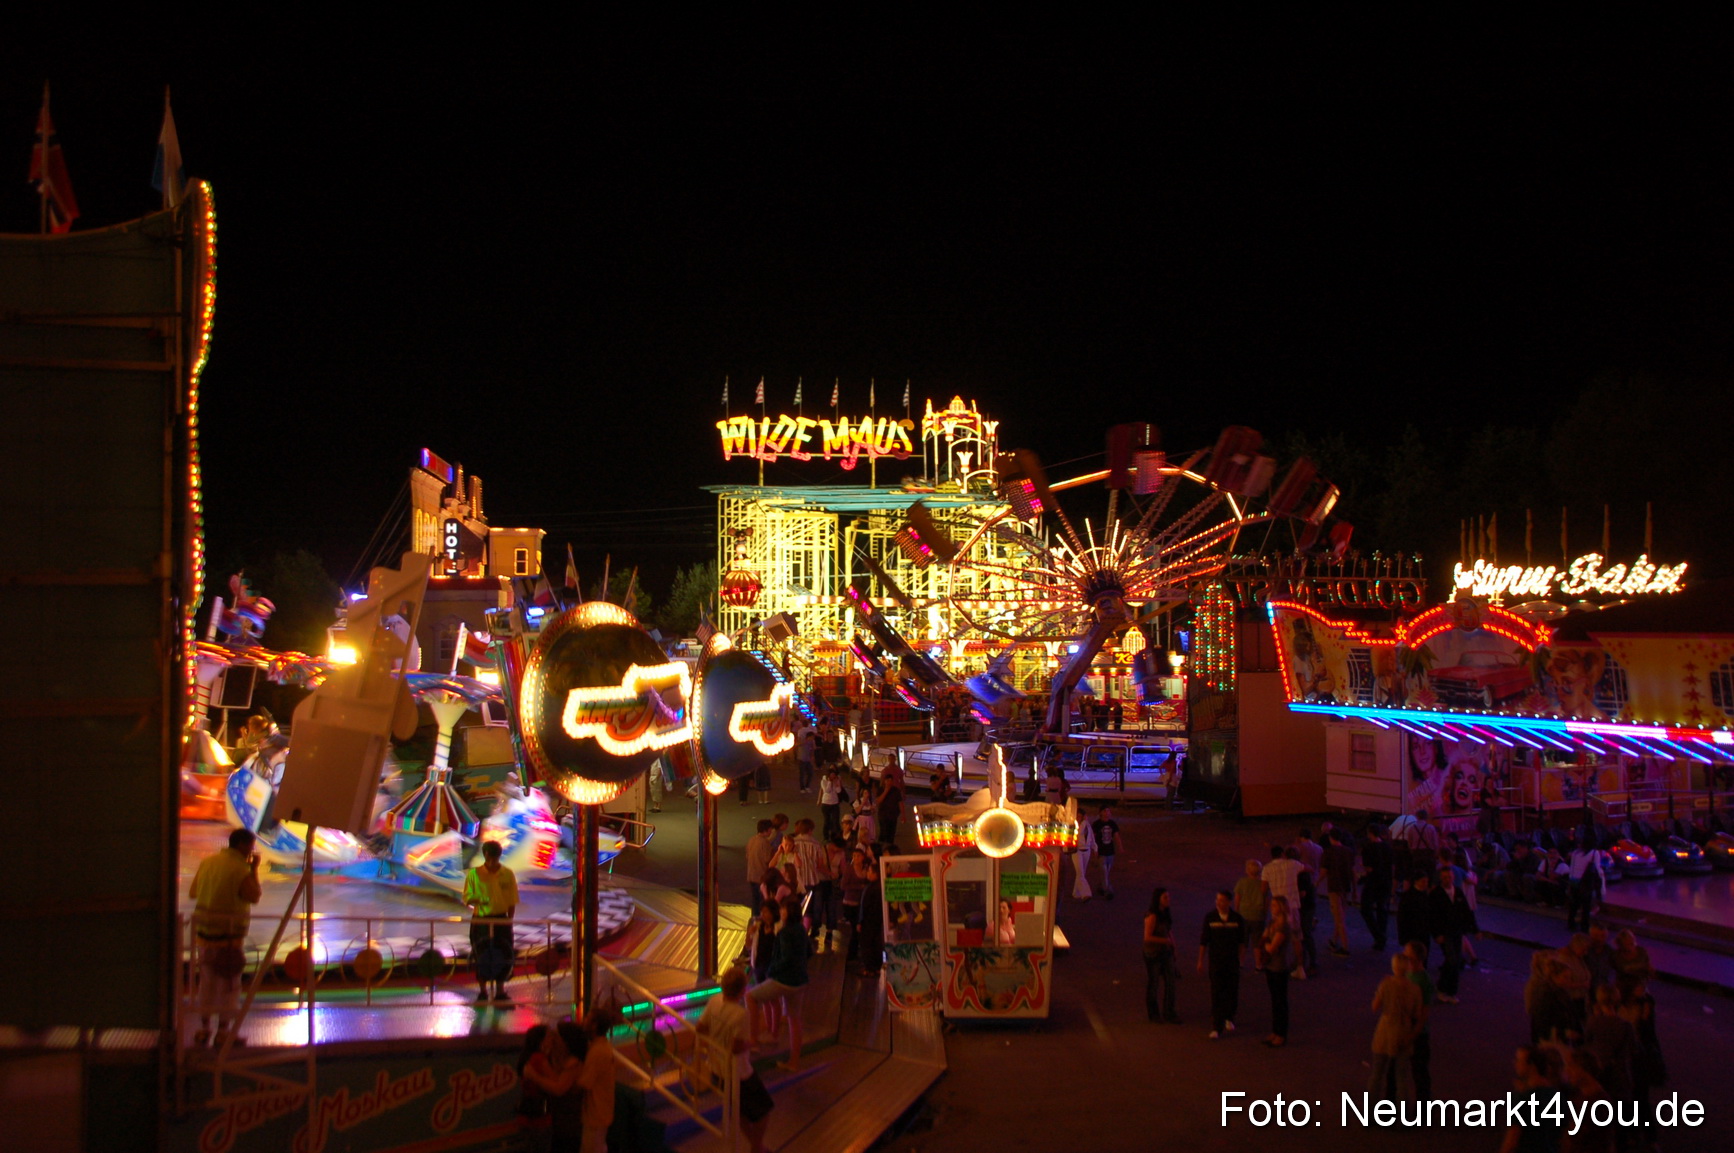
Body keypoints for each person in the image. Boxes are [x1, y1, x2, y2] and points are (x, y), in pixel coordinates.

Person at [190, 827, 264, 1046]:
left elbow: (194, 892)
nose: (252, 851)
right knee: (229, 987)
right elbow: (254, 895)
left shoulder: (208, 863)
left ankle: (204, 1029)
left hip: (204, 936)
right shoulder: (240, 869)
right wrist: (253, 870)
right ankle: (223, 1033)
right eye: (251, 846)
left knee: (206, 984)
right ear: (242, 845)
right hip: (229, 938)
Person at [696, 967, 774, 1153]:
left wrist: (712, 1045)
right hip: (739, 1073)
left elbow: (700, 1028)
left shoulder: (714, 1001)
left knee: (740, 1111)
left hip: (716, 1069)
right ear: (742, 990)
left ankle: (756, 1147)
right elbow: (737, 1047)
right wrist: (752, 1042)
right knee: (764, 1111)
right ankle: (756, 1147)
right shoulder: (741, 1014)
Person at [748, 896, 811, 1070]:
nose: (781, 912)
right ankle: (794, 1061)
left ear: (788, 912)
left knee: (750, 997)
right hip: (800, 981)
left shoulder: (785, 932)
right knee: (794, 1020)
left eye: (783, 909)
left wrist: (772, 971)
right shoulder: (801, 929)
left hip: (785, 980)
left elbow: (785, 958)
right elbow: (809, 952)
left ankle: (753, 1040)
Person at [463, 839, 518, 1004]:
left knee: (503, 953)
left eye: (495, 857)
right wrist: (482, 899)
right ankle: (482, 991)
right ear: (485, 855)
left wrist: (509, 920)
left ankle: (500, 990)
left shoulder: (507, 874)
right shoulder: (474, 874)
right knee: (481, 954)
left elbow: (512, 899)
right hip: (481, 920)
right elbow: (467, 897)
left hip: (501, 919)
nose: (493, 860)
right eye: (490, 857)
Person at [1368, 953, 1422, 1102]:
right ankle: (1402, 1118)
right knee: (1402, 1078)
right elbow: (1417, 1014)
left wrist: (1379, 994)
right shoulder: (1415, 989)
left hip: (1385, 1029)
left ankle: (1370, 1113)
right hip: (1404, 1030)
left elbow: (1375, 1006)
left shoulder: (1386, 984)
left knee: (1377, 1073)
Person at [1197, 890, 1245, 1039]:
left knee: (1231, 990)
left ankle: (1229, 1017)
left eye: (1222, 900)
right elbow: (1204, 940)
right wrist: (1200, 960)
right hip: (1216, 962)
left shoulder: (1237, 919)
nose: (1218, 902)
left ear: (1229, 902)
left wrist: (1241, 960)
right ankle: (1216, 1026)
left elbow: (1242, 942)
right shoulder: (1210, 917)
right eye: (1217, 899)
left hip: (1232, 962)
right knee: (1216, 992)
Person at [1498, 1046, 1564, 1153]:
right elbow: (1564, 1137)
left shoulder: (1522, 1098)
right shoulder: (1557, 1096)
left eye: (1518, 1060)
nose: (1515, 1063)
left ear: (1532, 1066)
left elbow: (1512, 1140)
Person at [1430, 866, 1474, 1004]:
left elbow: (1466, 911)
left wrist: (1474, 929)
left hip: (1456, 932)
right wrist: (1437, 934)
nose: (1447, 880)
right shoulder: (1436, 894)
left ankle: (1449, 990)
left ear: (1453, 878)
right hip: (1446, 932)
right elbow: (1433, 916)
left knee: (1454, 961)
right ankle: (1444, 989)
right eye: (1444, 878)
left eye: (1449, 877)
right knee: (1453, 960)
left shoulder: (1458, 892)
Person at [1401, 941, 1435, 1099]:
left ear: (1415, 958)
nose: (1403, 956)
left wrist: (1414, 1033)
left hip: (1418, 1033)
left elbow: (1424, 1013)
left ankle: (1423, 1111)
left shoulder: (1424, 981)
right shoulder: (1409, 974)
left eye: (1407, 954)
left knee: (1419, 1072)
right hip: (1408, 1028)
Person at [1143, 887, 1180, 1023]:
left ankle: (1169, 1012)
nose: (1168, 900)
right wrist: (1165, 941)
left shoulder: (1165, 913)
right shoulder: (1152, 915)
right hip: (1153, 953)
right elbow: (1147, 937)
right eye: (1165, 897)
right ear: (1158, 899)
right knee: (1154, 983)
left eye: (1168, 897)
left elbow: (1169, 931)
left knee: (1171, 982)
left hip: (1165, 952)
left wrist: (1174, 946)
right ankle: (1154, 1013)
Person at [1260, 896, 1293, 1047]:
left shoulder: (1283, 926)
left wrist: (1266, 944)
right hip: (1270, 966)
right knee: (1274, 1001)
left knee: (1280, 1002)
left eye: (1274, 905)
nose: (1271, 907)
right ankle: (1275, 1031)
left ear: (1281, 907)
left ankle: (1281, 1034)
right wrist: (1266, 943)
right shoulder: (1272, 922)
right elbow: (1263, 940)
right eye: (1271, 904)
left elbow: (1271, 947)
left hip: (1279, 967)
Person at [514, 1025, 554, 1151]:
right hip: (539, 1118)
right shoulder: (539, 1059)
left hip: (525, 1114)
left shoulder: (526, 1057)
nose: (552, 1039)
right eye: (549, 1036)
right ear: (541, 1040)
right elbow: (556, 1082)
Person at [1359, 824, 1392, 952]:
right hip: (1385, 882)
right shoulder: (1387, 847)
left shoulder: (1368, 848)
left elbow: (1368, 868)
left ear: (1369, 834)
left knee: (1365, 908)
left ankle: (1379, 936)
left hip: (1373, 882)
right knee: (1382, 910)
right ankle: (1381, 938)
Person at [1323, 830, 1356, 957]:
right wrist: (1354, 890)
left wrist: (1315, 883)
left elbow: (1324, 871)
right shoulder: (1348, 851)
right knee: (1340, 916)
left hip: (1334, 887)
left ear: (1331, 838)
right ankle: (1334, 941)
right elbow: (1353, 871)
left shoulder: (1329, 852)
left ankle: (1345, 947)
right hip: (1345, 886)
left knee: (1339, 919)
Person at [1565, 829, 1604, 934]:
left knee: (1574, 904)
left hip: (1574, 881)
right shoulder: (1593, 853)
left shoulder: (1575, 853)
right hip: (1585, 882)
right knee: (1586, 905)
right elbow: (1596, 868)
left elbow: (1572, 868)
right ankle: (1584, 926)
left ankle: (1571, 923)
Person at [854, 847, 884, 976]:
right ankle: (876, 967)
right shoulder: (879, 887)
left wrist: (860, 921)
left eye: (870, 871)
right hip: (876, 921)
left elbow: (864, 907)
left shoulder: (870, 888)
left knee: (867, 944)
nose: (868, 873)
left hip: (868, 921)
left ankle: (869, 968)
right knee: (876, 944)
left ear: (875, 874)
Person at [1232, 859, 1267, 965]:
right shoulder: (1263, 884)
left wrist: (1236, 912)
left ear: (1247, 870)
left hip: (1244, 915)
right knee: (1257, 943)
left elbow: (1237, 898)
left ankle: (1241, 962)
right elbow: (1266, 900)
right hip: (1258, 916)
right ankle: (1258, 964)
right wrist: (1264, 913)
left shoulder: (1242, 882)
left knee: (1243, 941)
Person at [1396, 870, 1433, 966]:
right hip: (1412, 932)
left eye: (1426, 881)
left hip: (1423, 932)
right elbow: (1402, 917)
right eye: (1423, 881)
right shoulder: (1409, 896)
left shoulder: (1424, 895)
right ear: (1416, 881)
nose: (1426, 884)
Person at [744, 819, 774, 918]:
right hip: (761, 876)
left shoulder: (751, 840)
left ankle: (754, 921)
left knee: (755, 901)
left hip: (751, 875)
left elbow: (747, 855)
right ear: (768, 830)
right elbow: (768, 860)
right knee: (762, 902)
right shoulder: (765, 843)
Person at [1092, 804, 1121, 899]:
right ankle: (1107, 890)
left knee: (1106, 872)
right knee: (1104, 871)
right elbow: (1093, 838)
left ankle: (1101, 886)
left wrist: (1120, 847)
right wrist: (1094, 851)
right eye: (1105, 811)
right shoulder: (1096, 825)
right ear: (1100, 813)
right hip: (1101, 852)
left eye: (1108, 811)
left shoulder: (1112, 824)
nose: (1107, 813)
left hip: (1110, 851)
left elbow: (1116, 836)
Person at [876, 757, 906, 848]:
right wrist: (886, 790)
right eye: (887, 780)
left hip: (893, 814)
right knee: (883, 832)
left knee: (891, 833)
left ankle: (889, 849)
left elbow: (900, 802)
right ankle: (880, 849)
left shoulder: (896, 790)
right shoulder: (885, 772)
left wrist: (903, 814)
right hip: (883, 814)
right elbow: (878, 801)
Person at [1071, 809, 1095, 901]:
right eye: (1077, 816)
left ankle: (1076, 893)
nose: (1078, 818)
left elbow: (1091, 836)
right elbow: (1079, 833)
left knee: (1081, 873)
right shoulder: (1074, 825)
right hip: (1076, 851)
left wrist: (1094, 847)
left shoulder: (1087, 825)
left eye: (1080, 816)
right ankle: (1086, 894)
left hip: (1086, 850)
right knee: (1080, 872)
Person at [818, 765, 844, 841]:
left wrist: (836, 784)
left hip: (835, 803)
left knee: (836, 820)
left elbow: (839, 791)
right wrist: (830, 782)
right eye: (832, 775)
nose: (833, 776)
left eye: (834, 775)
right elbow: (827, 791)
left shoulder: (837, 780)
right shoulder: (824, 781)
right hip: (826, 803)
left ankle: (835, 836)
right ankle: (826, 836)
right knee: (827, 820)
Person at [796, 721, 817, 794]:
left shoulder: (811, 742)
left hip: (808, 759)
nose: (812, 738)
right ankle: (802, 788)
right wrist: (804, 742)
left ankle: (807, 786)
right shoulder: (803, 741)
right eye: (812, 737)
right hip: (802, 759)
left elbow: (813, 749)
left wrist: (812, 756)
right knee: (802, 774)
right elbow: (797, 745)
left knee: (810, 773)